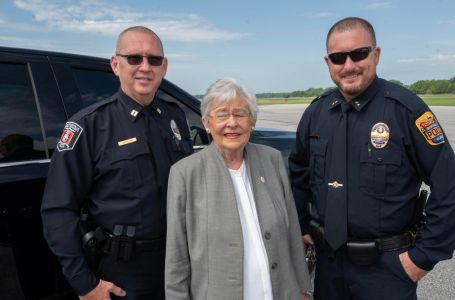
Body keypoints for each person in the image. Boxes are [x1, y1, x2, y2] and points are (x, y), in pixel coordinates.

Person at [289, 17, 455, 299]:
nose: (348, 65)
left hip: (386, 272)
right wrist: (301, 225)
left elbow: (451, 187)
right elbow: (298, 174)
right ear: (328, 62)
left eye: (358, 53)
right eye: (338, 58)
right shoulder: (316, 114)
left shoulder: (406, 110)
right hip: (329, 267)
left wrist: (421, 258)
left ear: (376, 54)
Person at [41, 26, 193, 299]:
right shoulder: (88, 126)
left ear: (164, 67)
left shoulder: (175, 118)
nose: (145, 67)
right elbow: (58, 210)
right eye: (134, 58)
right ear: (115, 64)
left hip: (180, 261)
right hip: (124, 272)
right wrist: (85, 284)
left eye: (154, 60)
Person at [164, 78, 311, 300]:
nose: (232, 123)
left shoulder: (271, 159)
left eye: (240, 114)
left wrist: (302, 289)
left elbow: (291, 231)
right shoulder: (185, 174)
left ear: (252, 122)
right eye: (222, 115)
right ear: (207, 123)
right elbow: (177, 259)